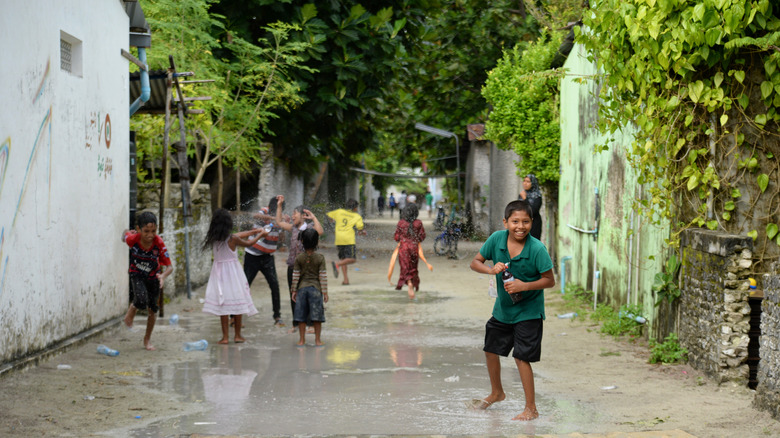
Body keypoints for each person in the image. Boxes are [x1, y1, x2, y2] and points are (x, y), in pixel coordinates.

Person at [468, 199, 555, 421]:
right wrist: (490, 270)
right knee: (490, 350)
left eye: (525, 222)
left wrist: (524, 286)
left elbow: (549, 281)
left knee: (521, 357)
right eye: (515, 221)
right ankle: (497, 392)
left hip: (529, 311)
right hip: (503, 311)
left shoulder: (537, 249)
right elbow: (475, 262)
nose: (520, 226)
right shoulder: (496, 239)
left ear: (532, 223)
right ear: (505, 222)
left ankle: (531, 408)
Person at [201, 209, 264, 344]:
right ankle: (237, 335)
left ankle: (225, 337)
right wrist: (260, 235)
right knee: (237, 303)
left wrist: (253, 232)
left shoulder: (214, 238)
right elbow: (248, 244)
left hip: (219, 275)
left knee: (223, 305)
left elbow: (238, 235)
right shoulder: (233, 239)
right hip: (233, 274)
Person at [122, 211, 174, 351]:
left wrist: (163, 277)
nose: (150, 235)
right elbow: (125, 236)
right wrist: (127, 233)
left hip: (154, 278)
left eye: (153, 231)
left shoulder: (158, 243)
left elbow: (170, 267)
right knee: (141, 299)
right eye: (146, 231)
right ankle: (131, 312)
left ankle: (147, 339)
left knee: (153, 310)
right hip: (136, 273)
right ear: (139, 229)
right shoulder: (133, 239)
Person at [274, 195, 324, 329]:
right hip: (292, 267)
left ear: (303, 215)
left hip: (306, 269)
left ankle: (310, 324)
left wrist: (313, 217)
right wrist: (279, 205)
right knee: (293, 295)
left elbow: (320, 231)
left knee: (307, 296)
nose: (292, 216)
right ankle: (296, 323)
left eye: (294, 213)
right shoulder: (293, 228)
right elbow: (279, 222)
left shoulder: (310, 227)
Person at [243, 196, 285, 327]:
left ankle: (277, 316)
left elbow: (282, 236)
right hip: (252, 255)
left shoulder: (282, 217)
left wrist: (282, 227)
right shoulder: (264, 211)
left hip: (268, 257)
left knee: (274, 285)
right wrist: (274, 219)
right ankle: (234, 317)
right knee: (245, 286)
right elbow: (256, 216)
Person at [291, 228, 329, 346]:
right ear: (317, 242)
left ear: (302, 241)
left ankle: (302, 340)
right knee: (317, 316)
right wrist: (325, 292)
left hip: (302, 289)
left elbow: (295, 275)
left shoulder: (299, 258)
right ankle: (317, 340)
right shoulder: (320, 258)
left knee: (301, 316)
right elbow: (322, 276)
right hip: (316, 290)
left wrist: (293, 290)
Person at [327, 199, 366, 285]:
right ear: (355, 208)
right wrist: (362, 232)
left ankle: (346, 280)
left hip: (339, 239)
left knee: (343, 259)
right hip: (349, 240)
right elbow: (360, 228)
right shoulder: (357, 216)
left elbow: (329, 215)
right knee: (352, 259)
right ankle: (337, 264)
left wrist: (332, 220)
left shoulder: (339, 212)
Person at [394, 204, 426, 300]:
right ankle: (412, 283)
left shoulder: (401, 223)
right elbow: (422, 236)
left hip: (403, 248)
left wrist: (402, 238)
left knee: (405, 267)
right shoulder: (419, 223)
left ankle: (409, 284)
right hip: (414, 248)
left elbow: (396, 237)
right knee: (413, 267)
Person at [519, 174, 543, 240]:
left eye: (528, 181)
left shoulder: (537, 196)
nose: (525, 183)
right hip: (522, 223)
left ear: (533, 183)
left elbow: (533, 211)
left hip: (534, 224)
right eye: (524, 181)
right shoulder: (522, 194)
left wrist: (525, 199)